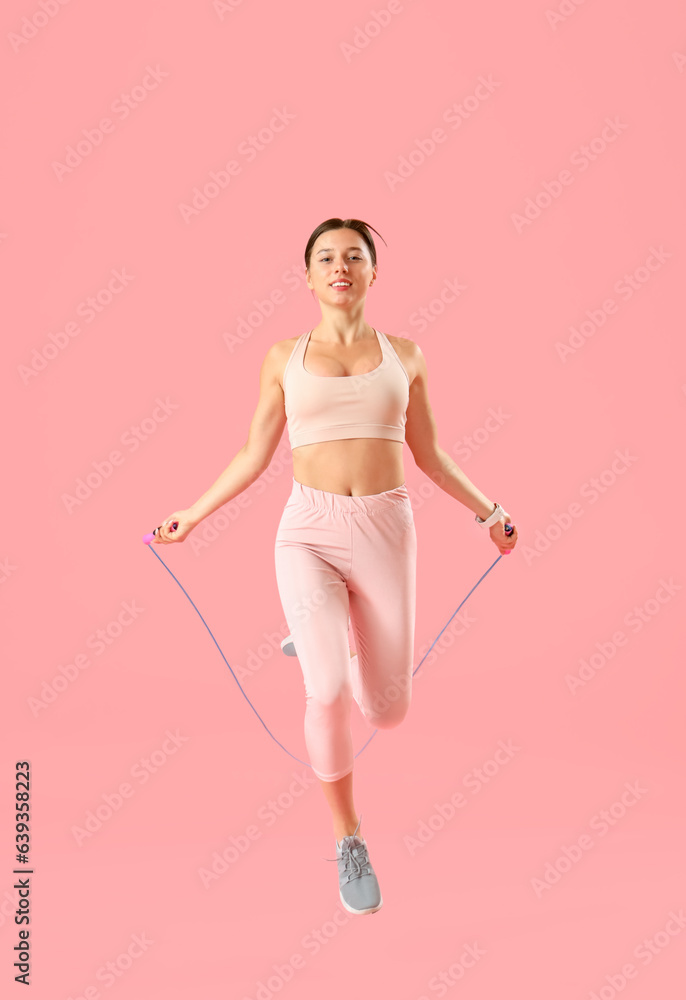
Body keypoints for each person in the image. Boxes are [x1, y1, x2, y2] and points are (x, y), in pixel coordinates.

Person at [152, 217, 518, 916]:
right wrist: (193, 514)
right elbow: (255, 453)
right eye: (326, 257)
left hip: (385, 528)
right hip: (309, 529)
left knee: (390, 711)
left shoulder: (405, 356)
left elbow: (431, 456)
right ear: (309, 276)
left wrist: (490, 514)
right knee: (324, 690)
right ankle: (349, 836)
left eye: (354, 256)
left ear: (374, 273)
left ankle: (317, 636)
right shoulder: (282, 356)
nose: (340, 266)